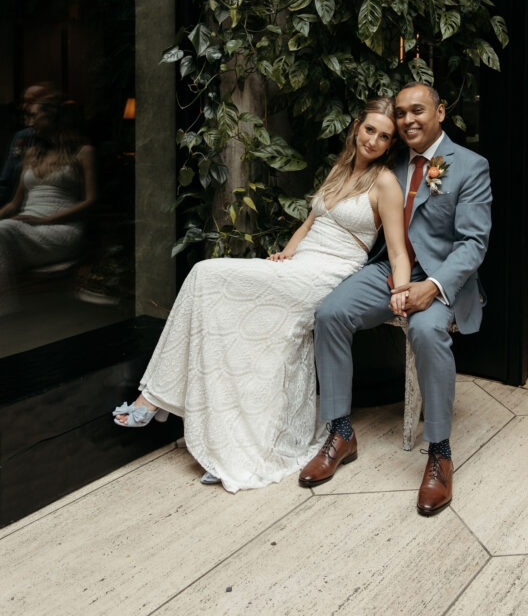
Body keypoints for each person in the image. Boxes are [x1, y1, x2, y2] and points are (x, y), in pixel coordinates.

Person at [112, 97, 411, 493]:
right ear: (356, 127)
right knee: (235, 319)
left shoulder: (385, 182)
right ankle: (212, 435)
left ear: (391, 145)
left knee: (205, 273)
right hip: (299, 265)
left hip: (327, 274)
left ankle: (155, 400)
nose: (374, 140)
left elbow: (396, 249)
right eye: (370, 129)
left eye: (384, 136)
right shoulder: (339, 170)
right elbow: (310, 223)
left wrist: (403, 290)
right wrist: (288, 251)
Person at [300, 82, 492, 517]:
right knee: (330, 313)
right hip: (391, 269)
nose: (407, 120)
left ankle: (439, 454)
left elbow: (474, 243)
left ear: (440, 112)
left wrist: (435, 286)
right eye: (401, 113)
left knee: (426, 331)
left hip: (442, 278)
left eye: (417, 110)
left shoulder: (470, 166)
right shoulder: (390, 158)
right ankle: (341, 433)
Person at [0, 90, 96, 293]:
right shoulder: (31, 154)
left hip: (62, 228)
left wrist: (46, 220)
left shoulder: (83, 152)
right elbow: (14, 204)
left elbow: (91, 200)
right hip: (25, 225)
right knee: (5, 230)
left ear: (52, 117)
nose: (29, 123)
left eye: (34, 116)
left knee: (4, 230)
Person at [0, 83, 54, 206]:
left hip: (43, 204)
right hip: (13, 203)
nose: (24, 107)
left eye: (31, 102)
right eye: (24, 102)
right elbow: (6, 178)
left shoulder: (62, 141)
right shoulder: (21, 136)